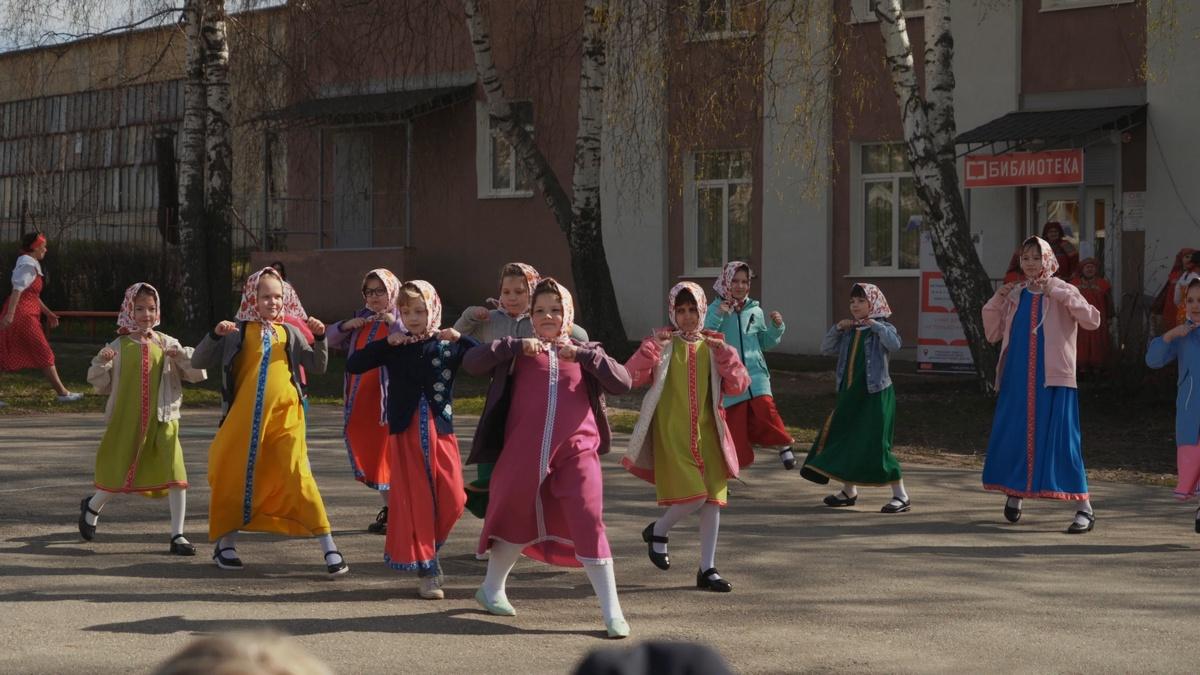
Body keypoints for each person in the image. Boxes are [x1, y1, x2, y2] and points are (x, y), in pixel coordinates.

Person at [464, 277, 632, 638]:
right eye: (539, 310)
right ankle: (491, 589)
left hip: (578, 452)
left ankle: (612, 611)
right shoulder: (518, 351)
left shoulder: (587, 350)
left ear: (568, 314)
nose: (548, 316)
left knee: (589, 518)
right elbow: (472, 362)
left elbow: (623, 382)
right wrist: (509, 346)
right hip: (523, 452)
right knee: (513, 515)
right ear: (530, 314)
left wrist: (586, 355)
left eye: (555, 310)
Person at [191, 267, 348, 575]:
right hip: (242, 420)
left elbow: (317, 366)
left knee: (298, 475)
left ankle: (329, 547)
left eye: (278, 296)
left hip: (286, 418)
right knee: (232, 475)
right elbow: (198, 361)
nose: (273, 302)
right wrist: (213, 335)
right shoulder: (236, 331)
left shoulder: (289, 332)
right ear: (252, 297)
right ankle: (226, 544)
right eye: (266, 296)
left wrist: (319, 337)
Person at [346, 280, 477, 599]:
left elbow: (485, 361)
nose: (414, 317)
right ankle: (428, 567)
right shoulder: (398, 346)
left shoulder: (446, 344)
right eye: (406, 311)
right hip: (404, 434)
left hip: (440, 432)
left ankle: (428, 549)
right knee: (416, 500)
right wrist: (386, 344)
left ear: (433, 309)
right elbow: (354, 364)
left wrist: (464, 338)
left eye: (420, 310)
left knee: (455, 499)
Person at [623, 282, 749, 593]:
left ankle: (707, 569)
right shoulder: (663, 345)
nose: (688, 316)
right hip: (673, 432)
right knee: (693, 495)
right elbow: (629, 376)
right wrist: (649, 349)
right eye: (681, 310)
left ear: (703, 310)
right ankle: (659, 530)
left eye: (693, 309)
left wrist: (727, 356)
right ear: (672, 312)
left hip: (710, 432)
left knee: (712, 502)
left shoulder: (715, 345)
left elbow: (738, 386)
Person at [981, 236, 1100, 533]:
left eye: (1036, 257)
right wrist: (998, 298)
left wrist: (1059, 292)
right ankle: (1015, 490)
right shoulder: (1017, 294)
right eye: (1025, 258)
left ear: (1047, 259)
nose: (1030, 263)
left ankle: (1084, 507)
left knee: (1062, 441)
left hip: (1053, 379)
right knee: (1015, 436)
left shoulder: (1062, 289)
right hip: (1017, 379)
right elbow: (992, 333)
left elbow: (1092, 320)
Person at [78, 283, 206, 554]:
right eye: (139, 308)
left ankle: (177, 535)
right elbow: (99, 383)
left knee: (176, 473)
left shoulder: (167, 342)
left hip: (164, 418)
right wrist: (102, 362)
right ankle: (93, 505)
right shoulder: (119, 345)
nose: (146, 314)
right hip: (128, 419)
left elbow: (196, 371)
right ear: (129, 310)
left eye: (151, 308)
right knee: (120, 470)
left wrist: (181, 356)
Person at [454, 262, 589, 519]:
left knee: (525, 470)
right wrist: (469, 315)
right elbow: (454, 338)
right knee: (491, 469)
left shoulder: (540, 317)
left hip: (535, 402)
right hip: (499, 400)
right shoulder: (489, 319)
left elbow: (582, 337)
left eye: (520, 292)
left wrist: (560, 318)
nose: (512, 298)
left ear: (533, 292)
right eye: (506, 292)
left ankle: (525, 527)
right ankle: (492, 530)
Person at [800, 283, 909, 513]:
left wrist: (877, 326)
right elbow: (826, 348)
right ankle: (849, 491)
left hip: (875, 395)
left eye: (861, 301)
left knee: (878, 444)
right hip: (850, 394)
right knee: (844, 439)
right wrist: (837, 328)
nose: (855, 305)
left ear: (874, 303)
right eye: (852, 302)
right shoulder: (849, 330)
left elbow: (895, 344)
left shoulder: (882, 328)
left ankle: (901, 496)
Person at [325, 268, 404, 534]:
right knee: (372, 455)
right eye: (369, 292)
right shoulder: (361, 318)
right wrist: (347, 325)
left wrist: (392, 320)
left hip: (387, 402)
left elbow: (409, 334)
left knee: (389, 457)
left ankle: (400, 512)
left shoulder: (402, 317)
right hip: (360, 401)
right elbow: (329, 338)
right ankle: (391, 509)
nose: (373, 297)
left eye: (379, 291)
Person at [703, 261, 796, 470]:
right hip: (731, 375)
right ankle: (731, 469)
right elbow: (706, 335)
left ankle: (783, 444)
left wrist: (777, 327)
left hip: (757, 374)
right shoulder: (714, 308)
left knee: (766, 409)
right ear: (725, 282)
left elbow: (764, 342)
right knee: (735, 425)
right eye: (735, 281)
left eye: (745, 281)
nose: (740, 286)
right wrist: (719, 314)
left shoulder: (755, 309)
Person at [0, 232, 83, 402]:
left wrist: (48, 313)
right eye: (43, 247)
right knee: (43, 351)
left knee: (5, 351)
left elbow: (33, 295)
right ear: (35, 248)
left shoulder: (29, 263)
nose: (45, 250)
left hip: (24, 312)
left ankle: (62, 393)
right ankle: (63, 394)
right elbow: (17, 290)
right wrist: (10, 315)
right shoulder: (28, 264)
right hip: (22, 315)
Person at [1146, 278, 1200, 531]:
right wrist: (1169, 335)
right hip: (1191, 412)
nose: (1195, 305)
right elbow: (1153, 360)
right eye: (1191, 300)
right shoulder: (1183, 335)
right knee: (1193, 457)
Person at [1071, 258, 1113, 374]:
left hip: (1098, 319)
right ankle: (1081, 367)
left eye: (1092, 267)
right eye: (1087, 267)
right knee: (1081, 342)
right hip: (1080, 319)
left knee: (1097, 342)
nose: (1090, 269)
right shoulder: (1074, 284)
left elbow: (1109, 302)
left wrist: (1110, 316)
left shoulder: (1103, 284)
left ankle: (1097, 368)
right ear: (1082, 269)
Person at [1152, 248, 1194, 333]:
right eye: (1187, 256)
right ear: (1181, 259)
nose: (1189, 259)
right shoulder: (1175, 275)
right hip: (1172, 312)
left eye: (1192, 257)